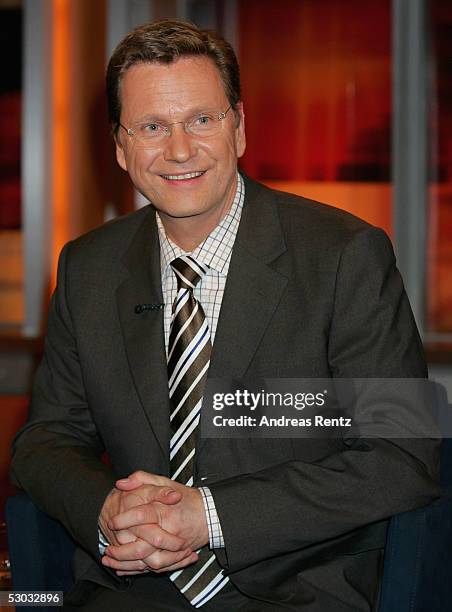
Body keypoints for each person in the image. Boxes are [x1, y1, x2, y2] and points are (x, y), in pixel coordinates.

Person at [11, 19, 440, 612]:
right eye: (153, 127)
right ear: (120, 146)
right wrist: (108, 512)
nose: (180, 150)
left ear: (238, 127)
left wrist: (208, 516)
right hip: (131, 587)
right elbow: (45, 441)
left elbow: (406, 456)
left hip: (294, 591)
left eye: (202, 120)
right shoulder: (88, 267)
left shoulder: (345, 255)